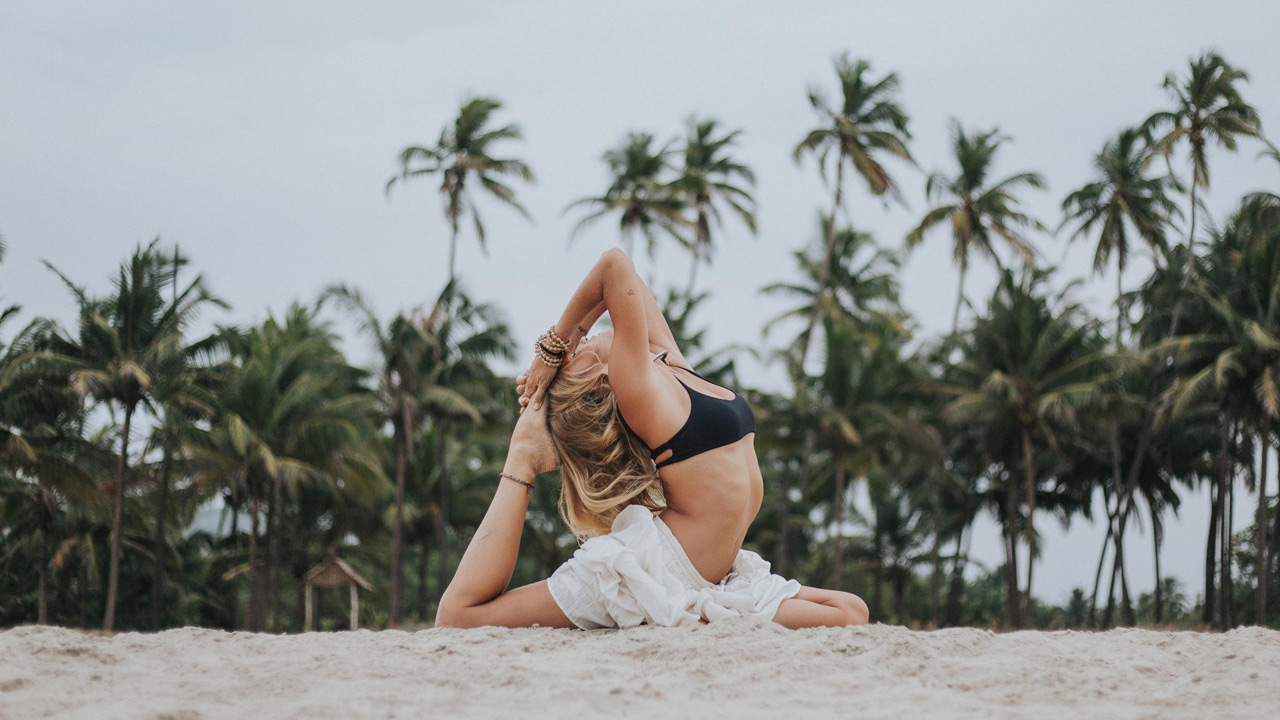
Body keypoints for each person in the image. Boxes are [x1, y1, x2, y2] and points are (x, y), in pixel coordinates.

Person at [436, 249, 869, 630]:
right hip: (655, 573)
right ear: (595, 380)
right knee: (460, 617)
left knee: (852, 607)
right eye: (577, 352)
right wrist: (551, 352)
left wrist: (564, 345)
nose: (582, 337)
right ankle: (521, 461)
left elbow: (627, 284)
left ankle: (702, 609)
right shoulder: (635, 389)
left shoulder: (664, 360)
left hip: (703, 572)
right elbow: (613, 266)